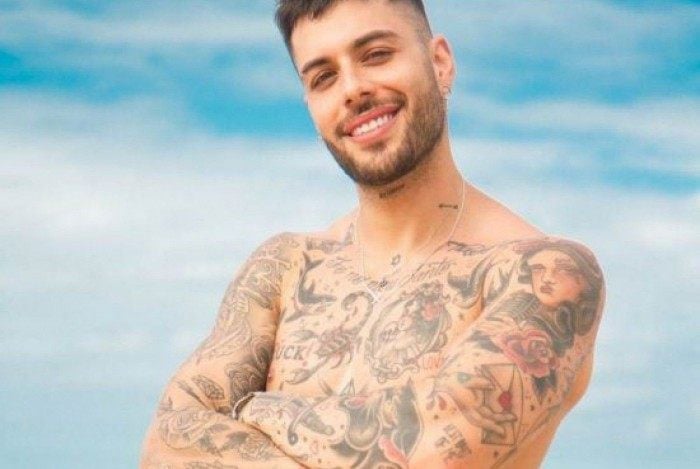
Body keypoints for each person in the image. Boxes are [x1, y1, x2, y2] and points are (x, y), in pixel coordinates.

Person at [140, 0, 606, 467]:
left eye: (376, 55)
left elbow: (430, 452)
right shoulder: (285, 268)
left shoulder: (543, 274)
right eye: (323, 77)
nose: (353, 89)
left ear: (440, 63)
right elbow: (164, 444)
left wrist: (252, 410)